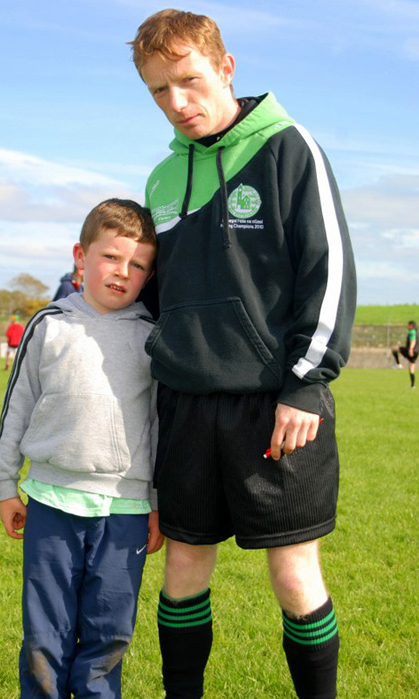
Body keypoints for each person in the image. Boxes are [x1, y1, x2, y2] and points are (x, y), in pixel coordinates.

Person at [129, 10, 357, 699]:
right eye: (159, 92)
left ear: (226, 68)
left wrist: (305, 384)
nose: (177, 104)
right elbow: (155, 299)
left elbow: (331, 270)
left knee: (293, 578)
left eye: (189, 82)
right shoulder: (162, 180)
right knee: (184, 571)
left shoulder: (290, 148)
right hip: (187, 408)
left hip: (278, 406)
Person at [0, 198, 164, 698]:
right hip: (51, 501)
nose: (122, 272)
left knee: (108, 635)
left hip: (125, 511)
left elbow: (159, 426)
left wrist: (158, 503)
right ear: (80, 256)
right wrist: (6, 485)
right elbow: (16, 407)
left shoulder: (152, 338)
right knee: (44, 637)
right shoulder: (48, 326)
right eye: (111, 257)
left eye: (137, 265)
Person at [392, 320, 417, 389]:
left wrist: (411, 349)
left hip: (410, 350)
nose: (407, 326)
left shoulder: (412, 331)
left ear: (411, 326)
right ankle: (412, 386)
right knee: (411, 368)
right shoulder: (417, 332)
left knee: (394, 348)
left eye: (408, 325)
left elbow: (413, 341)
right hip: (416, 352)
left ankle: (398, 364)